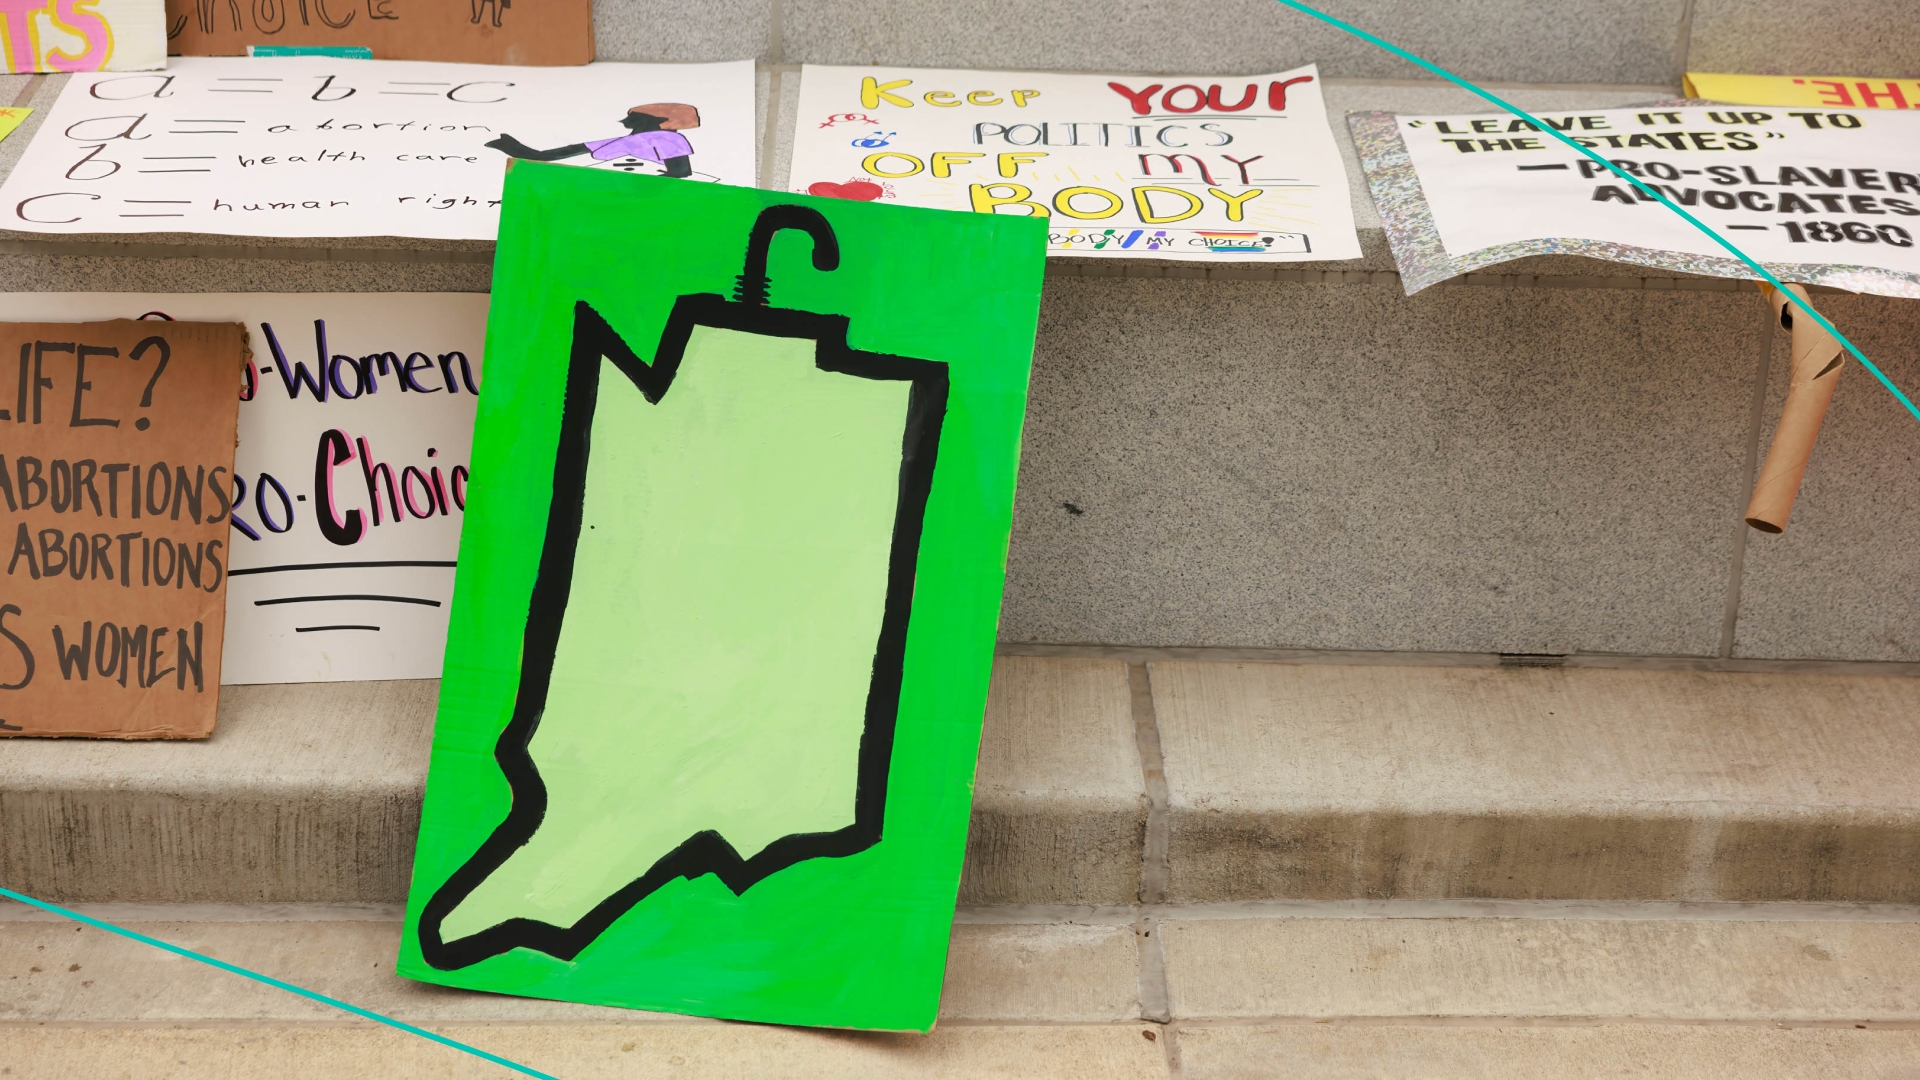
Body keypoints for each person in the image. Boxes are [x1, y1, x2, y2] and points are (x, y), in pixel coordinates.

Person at [486, 104, 700, 178]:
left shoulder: (669, 139)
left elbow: (681, 171)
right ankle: (508, 145)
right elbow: (554, 154)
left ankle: (508, 145)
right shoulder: (625, 141)